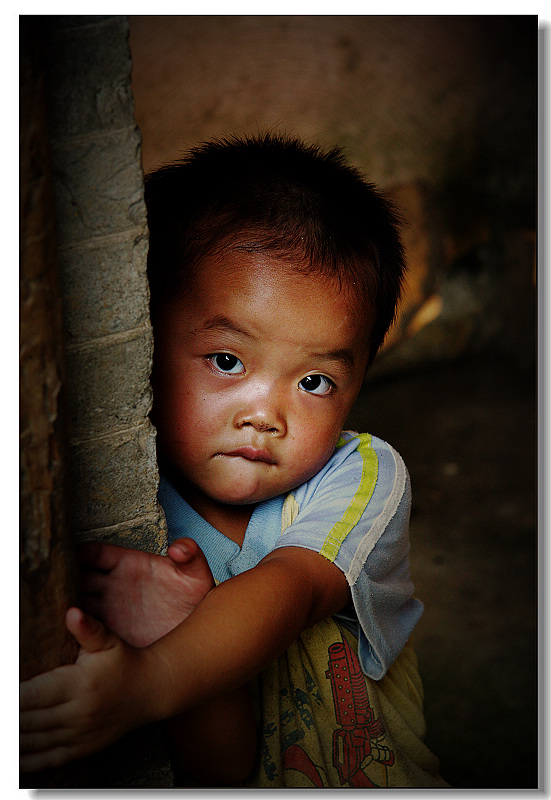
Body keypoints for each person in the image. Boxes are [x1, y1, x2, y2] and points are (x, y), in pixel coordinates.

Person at [20, 133, 447, 788]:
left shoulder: (359, 476)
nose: (265, 415)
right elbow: (223, 773)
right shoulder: (126, 508)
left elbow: (292, 587)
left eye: (314, 382)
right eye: (227, 361)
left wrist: (151, 679)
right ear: (145, 344)